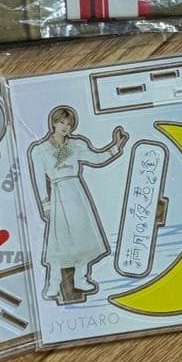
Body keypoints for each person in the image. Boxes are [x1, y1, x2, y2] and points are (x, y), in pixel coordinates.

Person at [29, 106, 128, 302]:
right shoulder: (40, 150)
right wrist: (45, 205)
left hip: (76, 192)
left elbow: (97, 158)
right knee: (58, 240)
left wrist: (116, 146)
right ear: (53, 123)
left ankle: (81, 278)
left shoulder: (76, 145)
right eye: (61, 122)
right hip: (58, 195)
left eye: (68, 124)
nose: (65, 127)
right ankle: (53, 282)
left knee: (83, 236)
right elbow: (39, 180)